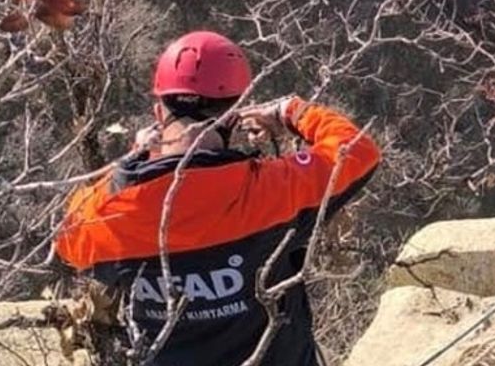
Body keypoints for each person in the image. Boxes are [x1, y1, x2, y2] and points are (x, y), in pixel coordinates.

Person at [54, 30, 380, 365]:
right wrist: (290, 111)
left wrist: (134, 160)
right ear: (234, 114)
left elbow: (67, 240)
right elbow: (358, 150)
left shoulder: (113, 211)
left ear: (159, 112)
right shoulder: (271, 190)